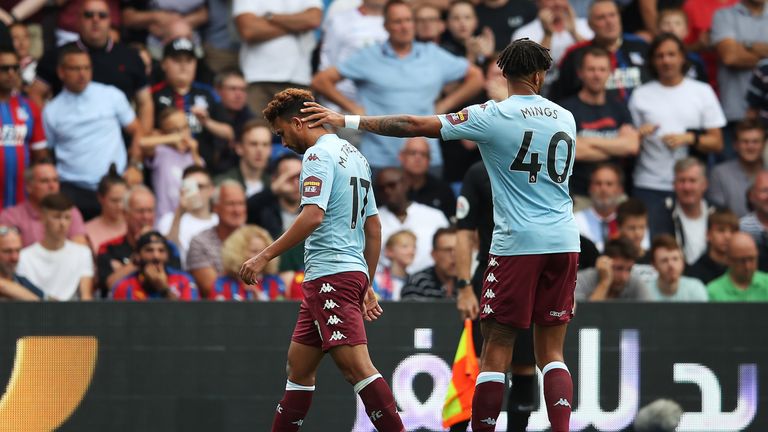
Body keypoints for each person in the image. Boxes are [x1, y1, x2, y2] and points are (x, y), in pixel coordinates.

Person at [301, 38, 578, 432]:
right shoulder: (566, 118)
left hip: (517, 244)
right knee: (552, 353)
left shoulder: (492, 114)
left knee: (496, 346)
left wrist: (346, 120)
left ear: (503, 73)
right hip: (565, 242)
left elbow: (414, 125)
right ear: (539, 74)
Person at [238, 88, 405, 432]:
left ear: (298, 123)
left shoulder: (317, 156)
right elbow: (373, 229)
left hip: (331, 274)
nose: (283, 143)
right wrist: (366, 281)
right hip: (340, 273)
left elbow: (313, 215)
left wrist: (264, 255)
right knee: (298, 369)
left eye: (282, 133)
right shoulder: (355, 156)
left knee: (357, 369)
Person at [311, 0, 484, 172]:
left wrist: (444, 106)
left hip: (425, 157)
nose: (405, 26)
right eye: (397, 21)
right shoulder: (369, 56)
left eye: (408, 20)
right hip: (378, 159)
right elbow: (321, 81)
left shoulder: (432, 54)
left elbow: (476, 76)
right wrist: (352, 107)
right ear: (385, 26)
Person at [455, 159, 539, 432]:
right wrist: (465, 286)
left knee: (526, 364)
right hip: (492, 272)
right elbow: (465, 232)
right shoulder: (479, 172)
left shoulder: (536, 165)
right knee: (484, 364)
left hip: (532, 274)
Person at [629, 34, 725, 237]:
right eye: (660, 55)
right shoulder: (640, 94)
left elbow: (717, 142)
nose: (666, 60)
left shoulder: (702, 91)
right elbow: (628, 144)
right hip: (649, 183)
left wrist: (689, 138)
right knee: (654, 247)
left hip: (690, 184)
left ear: (683, 57)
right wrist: (639, 134)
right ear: (653, 61)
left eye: (671, 54)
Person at [42, 44, 144, 220]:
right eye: (75, 68)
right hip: (72, 189)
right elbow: (46, 152)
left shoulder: (111, 95)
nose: (82, 74)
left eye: (86, 68)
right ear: (61, 72)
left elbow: (137, 130)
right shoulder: (51, 111)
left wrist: (135, 165)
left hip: (115, 185)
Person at [31, 0, 152, 131]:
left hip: (122, 142)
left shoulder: (131, 57)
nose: (95, 20)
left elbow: (145, 102)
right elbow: (35, 93)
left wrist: (141, 140)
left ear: (110, 20)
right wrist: (50, 129)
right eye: (88, 15)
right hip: (70, 140)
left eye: (102, 15)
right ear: (77, 20)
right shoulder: (57, 55)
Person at [558, 46, 638, 201]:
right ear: (580, 73)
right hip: (578, 196)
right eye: (591, 69)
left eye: (602, 70)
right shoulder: (565, 110)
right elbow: (571, 152)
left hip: (615, 196)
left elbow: (631, 146)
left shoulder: (619, 107)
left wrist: (585, 141)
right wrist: (616, 146)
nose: (597, 75)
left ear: (609, 73)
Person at [151, 37, 234, 173]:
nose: (184, 66)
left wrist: (207, 122)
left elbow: (229, 133)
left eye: (189, 61)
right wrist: (170, 137)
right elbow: (146, 134)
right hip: (166, 169)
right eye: (177, 60)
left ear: (195, 63)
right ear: (164, 63)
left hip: (205, 170)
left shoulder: (208, 93)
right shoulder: (153, 95)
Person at [233, 0, 323, 118]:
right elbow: (249, 30)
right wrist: (297, 25)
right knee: (257, 132)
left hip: (299, 78)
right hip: (256, 78)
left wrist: (270, 17)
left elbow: (313, 20)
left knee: (298, 133)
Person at [549, 0, 650, 103]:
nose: (609, 21)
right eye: (601, 17)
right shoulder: (576, 55)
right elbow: (560, 97)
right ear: (590, 24)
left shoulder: (641, 46)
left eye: (612, 15)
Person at [96, 185, 181, 297]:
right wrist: (141, 253)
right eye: (140, 211)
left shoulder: (168, 247)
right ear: (125, 214)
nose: (146, 216)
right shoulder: (108, 248)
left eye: (150, 210)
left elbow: (177, 284)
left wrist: (123, 269)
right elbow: (109, 285)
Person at [17, 193, 94, 300]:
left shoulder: (83, 253)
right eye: (56, 217)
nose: (62, 223)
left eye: (67, 217)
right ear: (43, 218)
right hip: (34, 313)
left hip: (72, 313)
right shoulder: (24, 256)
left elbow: (86, 296)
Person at [376, 167, 450, 273]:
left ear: (406, 184)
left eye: (392, 185)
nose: (387, 191)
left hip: (429, 284)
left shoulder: (434, 216)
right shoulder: (371, 219)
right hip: (384, 285)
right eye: (381, 188)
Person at [0, 47, 47, 209]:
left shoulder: (29, 108)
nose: (11, 73)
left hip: (22, 202)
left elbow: (40, 155)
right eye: (4, 68)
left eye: (15, 68)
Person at [0, 161, 87, 247]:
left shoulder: (70, 211)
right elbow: (7, 255)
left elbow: (80, 249)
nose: (52, 186)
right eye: (44, 181)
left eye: (55, 180)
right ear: (29, 186)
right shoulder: (10, 217)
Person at [711, 0, 768, 130]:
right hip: (735, 113)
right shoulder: (724, 16)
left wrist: (746, 45)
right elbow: (730, 57)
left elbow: (734, 54)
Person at [186, 180, 246, 298]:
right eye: (230, 204)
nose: (237, 210)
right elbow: (213, 289)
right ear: (216, 208)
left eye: (241, 204)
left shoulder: (256, 238)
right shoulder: (200, 242)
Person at [651, 158, 715, 265]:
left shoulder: (717, 213)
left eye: (692, 181)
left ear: (704, 185)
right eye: (681, 181)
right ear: (674, 185)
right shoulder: (661, 214)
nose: (687, 187)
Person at [142, 107, 204, 217]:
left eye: (185, 127)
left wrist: (194, 151)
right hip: (166, 218)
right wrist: (171, 138)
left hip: (192, 219)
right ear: (164, 133)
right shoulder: (160, 152)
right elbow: (142, 143)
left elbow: (203, 181)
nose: (182, 134)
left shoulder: (193, 156)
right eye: (175, 130)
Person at [156, 166, 218, 267]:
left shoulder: (220, 220)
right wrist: (179, 213)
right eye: (190, 187)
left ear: (211, 190)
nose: (196, 192)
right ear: (182, 189)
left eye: (200, 186)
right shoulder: (169, 219)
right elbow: (168, 253)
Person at [112, 230, 199, 300]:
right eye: (149, 250)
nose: (156, 256)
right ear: (138, 256)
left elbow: (189, 317)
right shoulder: (124, 286)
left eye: (161, 251)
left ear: (168, 255)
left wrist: (164, 289)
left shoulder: (184, 281)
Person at [708, 119, 766, 217]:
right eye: (745, 141)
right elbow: (717, 215)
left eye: (755, 142)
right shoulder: (720, 173)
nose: (750, 146)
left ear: (764, 144)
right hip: (732, 230)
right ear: (735, 145)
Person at [215, 224, 284, 301]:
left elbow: (280, 309)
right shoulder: (223, 284)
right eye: (254, 251)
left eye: (263, 252)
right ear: (237, 253)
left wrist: (260, 297)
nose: (260, 257)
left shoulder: (275, 282)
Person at [575, 237, 651, 301]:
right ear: (604, 262)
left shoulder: (635, 283)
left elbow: (652, 314)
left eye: (629, 269)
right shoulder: (581, 280)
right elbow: (586, 315)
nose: (624, 277)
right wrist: (604, 282)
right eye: (619, 268)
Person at [399, 137, 456, 219]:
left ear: (430, 159)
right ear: (401, 156)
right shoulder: (391, 188)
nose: (418, 158)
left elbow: (452, 223)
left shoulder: (443, 190)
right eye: (412, 153)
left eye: (424, 154)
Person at [574, 163, 625, 251]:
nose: (603, 189)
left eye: (609, 184)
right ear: (590, 188)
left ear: (620, 190)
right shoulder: (576, 221)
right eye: (598, 183)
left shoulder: (629, 222)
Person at [214, 121, 272, 198]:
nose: (260, 150)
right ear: (239, 148)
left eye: (265, 144)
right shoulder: (222, 183)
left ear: (270, 150)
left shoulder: (273, 184)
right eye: (253, 144)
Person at [707, 231, 768, 301]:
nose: (747, 266)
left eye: (751, 259)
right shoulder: (713, 292)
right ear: (728, 260)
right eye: (741, 261)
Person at [400, 227, 458, 300]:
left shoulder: (469, 283)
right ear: (434, 254)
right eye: (447, 250)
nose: (454, 255)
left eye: (458, 249)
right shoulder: (418, 282)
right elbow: (409, 310)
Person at [647, 234, 708, 301]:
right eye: (664, 260)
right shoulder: (645, 292)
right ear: (654, 266)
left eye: (675, 259)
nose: (671, 265)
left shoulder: (696, 288)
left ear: (683, 262)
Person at [685, 209, 738, 284]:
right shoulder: (694, 273)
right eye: (721, 230)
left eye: (732, 231)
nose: (727, 236)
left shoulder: (741, 267)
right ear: (708, 235)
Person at [84, 168, 127, 253]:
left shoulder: (134, 226)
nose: (120, 206)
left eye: (123, 200)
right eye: (114, 200)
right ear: (100, 198)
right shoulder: (87, 231)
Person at [0, 225, 43, 300]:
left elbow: (48, 301)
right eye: (7, 251)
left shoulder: (22, 282)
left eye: (18, 250)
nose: (14, 257)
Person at [374, 229, 415, 301]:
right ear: (389, 251)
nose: (411, 251)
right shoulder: (376, 280)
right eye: (405, 246)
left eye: (414, 247)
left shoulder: (415, 281)